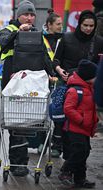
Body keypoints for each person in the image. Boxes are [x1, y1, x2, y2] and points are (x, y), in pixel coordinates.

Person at [0, 0, 53, 176]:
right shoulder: (7, 31)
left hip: (31, 83)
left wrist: (53, 72)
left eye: (32, 15)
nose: (29, 18)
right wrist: (18, 33)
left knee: (27, 120)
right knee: (14, 123)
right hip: (13, 81)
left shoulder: (38, 34)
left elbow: (45, 56)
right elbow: (3, 44)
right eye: (26, 14)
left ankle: (21, 161)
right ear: (18, 15)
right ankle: (17, 162)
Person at [53, 10, 103, 162]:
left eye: (91, 26)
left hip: (87, 86)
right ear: (79, 24)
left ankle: (74, 163)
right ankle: (59, 145)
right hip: (67, 82)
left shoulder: (99, 42)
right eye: (85, 25)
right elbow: (56, 61)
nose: (88, 28)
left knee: (81, 124)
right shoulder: (66, 38)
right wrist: (59, 71)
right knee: (63, 118)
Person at [58, 59, 98, 188]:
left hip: (85, 128)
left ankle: (80, 179)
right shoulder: (75, 91)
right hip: (75, 128)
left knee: (84, 153)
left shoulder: (89, 89)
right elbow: (68, 109)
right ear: (88, 77)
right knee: (79, 151)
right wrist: (81, 120)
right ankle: (66, 169)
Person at [42, 9, 63, 158]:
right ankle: (42, 142)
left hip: (59, 79)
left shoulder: (64, 39)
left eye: (61, 24)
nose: (60, 27)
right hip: (45, 80)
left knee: (58, 114)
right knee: (43, 114)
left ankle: (57, 145)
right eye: (57, 24)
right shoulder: (42, 39)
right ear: (49, 25)